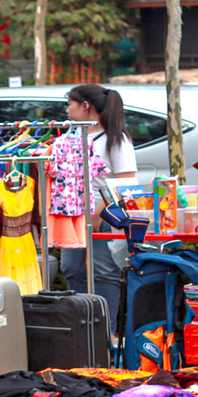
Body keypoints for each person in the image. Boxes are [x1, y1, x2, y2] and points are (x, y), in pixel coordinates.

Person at [59, 84, 136, 325]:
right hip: (72, 215)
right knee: (71, 269)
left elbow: (126, 181)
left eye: (70, 104)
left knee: (103, 272)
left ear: (85, 106)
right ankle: (78, 327)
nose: (67, 109)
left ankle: (106, 329)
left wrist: (98, 213)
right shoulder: (72, 135)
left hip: (102, 217)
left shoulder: (116, 139)